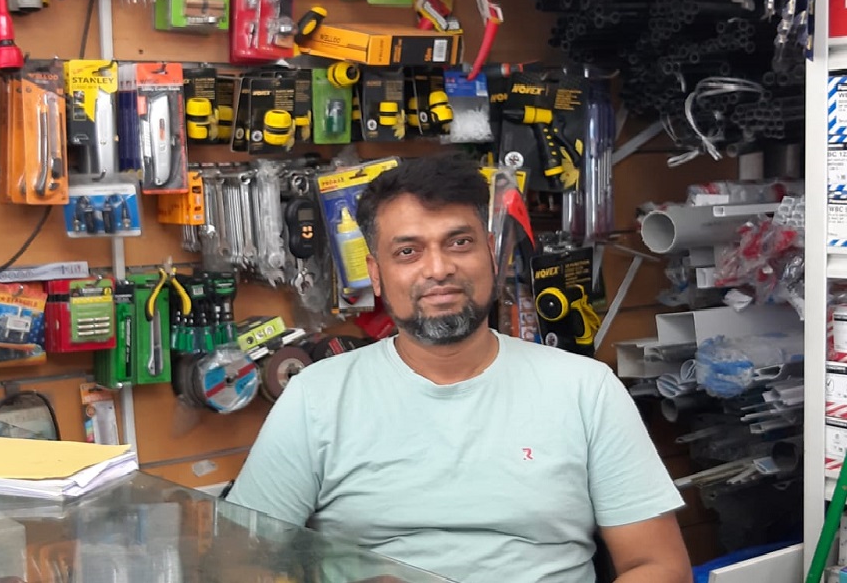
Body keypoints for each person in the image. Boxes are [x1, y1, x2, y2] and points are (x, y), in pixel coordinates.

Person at [228, 153, 691, 583]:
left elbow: (659, 566)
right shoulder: (316, 397)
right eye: (408, 251)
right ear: (376, 273)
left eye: (459, 242)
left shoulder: (585, 389)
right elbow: (239, 564)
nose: (438, 268)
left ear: (491, 252)